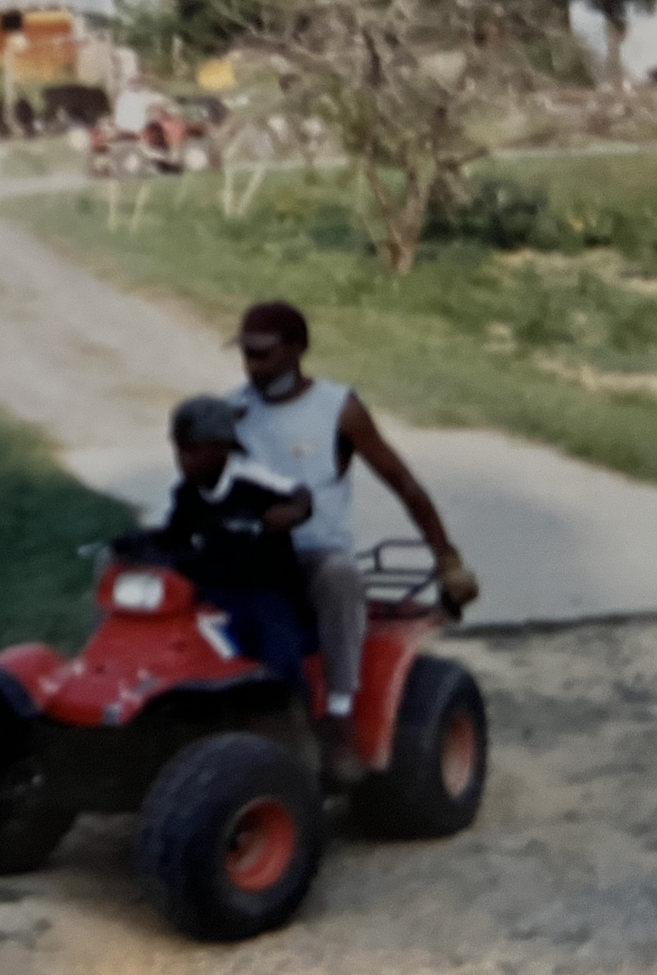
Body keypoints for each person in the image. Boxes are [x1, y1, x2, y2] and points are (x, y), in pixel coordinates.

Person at [230, 301, 481, 785]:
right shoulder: (233, 410)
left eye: (263, 354)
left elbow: (403, 483)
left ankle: (340, 716)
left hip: (312, 551)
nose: (252, 366)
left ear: (298, 349)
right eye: (246, 354)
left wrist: (446, 558)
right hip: (250, 551)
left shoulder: (337, 408)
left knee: (341, 576)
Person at [116, 396, 316, 686]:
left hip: (265, 589)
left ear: (222, 448)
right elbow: (176, 538)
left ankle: (290, 710)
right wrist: (138, 542)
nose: (184, 460)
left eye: (193, 451)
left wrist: (294, 511)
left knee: (276, 646)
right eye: (180, 451)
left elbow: (300, 493)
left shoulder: (251, 479)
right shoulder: (186, 494)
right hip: (214, 590)